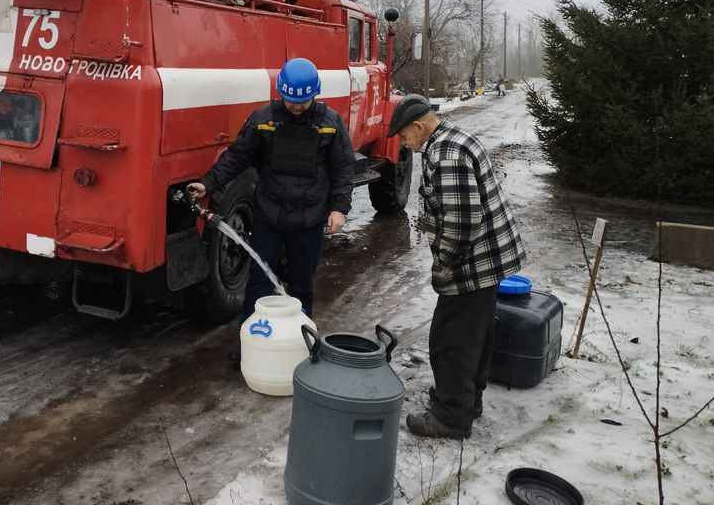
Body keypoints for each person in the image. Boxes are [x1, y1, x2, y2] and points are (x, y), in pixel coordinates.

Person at [389, 94, 526, 439]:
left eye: (405, 137)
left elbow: (463, 222)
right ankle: (468, 402)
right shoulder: (457, 137)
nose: (405, 145)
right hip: (489, 257)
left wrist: (444, 265)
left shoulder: (445, 154)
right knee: (476, 333)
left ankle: (451, 417)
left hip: (471, 261)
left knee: (450, 339)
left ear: (419, 126)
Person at [187, 57, 355, 321]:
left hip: (308, 219)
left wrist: (339, 209)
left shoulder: (330, 123)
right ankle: (252, 340)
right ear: (280, 92)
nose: (296, 107)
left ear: (315, 94)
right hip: (269, 216)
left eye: (302, 102)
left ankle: (299, 340)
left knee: (301, 283)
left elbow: (343, 168)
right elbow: (237, 157)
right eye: (290, 101)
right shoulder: (263, 119)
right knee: (259, 282)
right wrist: (208, 184)